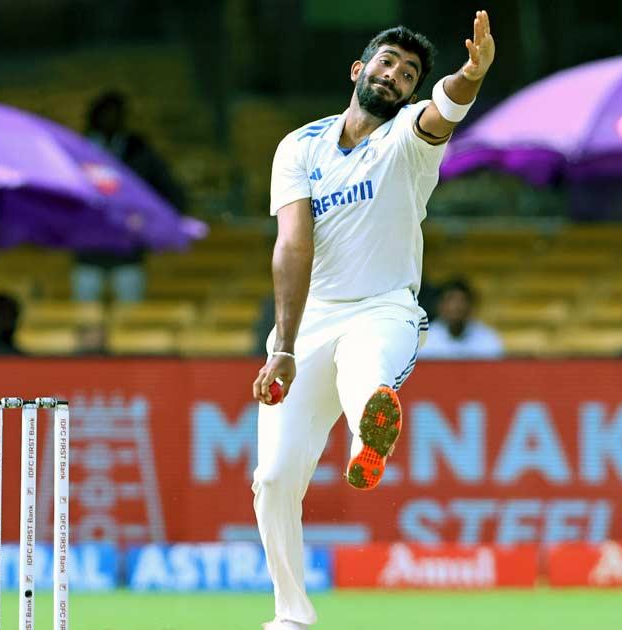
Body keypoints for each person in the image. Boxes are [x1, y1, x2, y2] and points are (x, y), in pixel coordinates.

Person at [248, 13, 495, 629]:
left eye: (408, 73)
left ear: (411, 92)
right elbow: (292, 246)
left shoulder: (408, 136)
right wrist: (282, 346)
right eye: (387, 63)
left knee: (366, 369)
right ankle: (291, 614)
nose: (395, 75)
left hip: (385, 308)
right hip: (310, 321)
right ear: (359, 70)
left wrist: (471, 74)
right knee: (273, 479)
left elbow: (445, 109)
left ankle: (369, 440)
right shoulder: (300, 146)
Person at [72, 90, 186, 303]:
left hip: (128, 249)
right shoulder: (78, 148)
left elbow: (170, 192)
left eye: (115, 114)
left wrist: (153, 224)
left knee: (130, 315)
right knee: (84, 315)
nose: (110, 119)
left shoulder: (138, 151)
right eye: (105, 113)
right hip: (88, 250)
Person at [418, 278, 503, 359]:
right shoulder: (426, 338)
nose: (456, 307)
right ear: (440, 306)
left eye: (461, 301)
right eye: (450, 300)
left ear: (471, 306)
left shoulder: (488, 339)